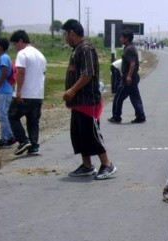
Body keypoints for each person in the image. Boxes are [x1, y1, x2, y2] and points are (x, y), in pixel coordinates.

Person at [62, 19, 117, 180]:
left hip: (88, 101)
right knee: (79, 135)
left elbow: (88, 73)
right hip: (78, 102)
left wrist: (72, 90)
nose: (65, 37)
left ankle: (107, 164)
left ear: (72, 33)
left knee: (91, 134)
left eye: (66, 34)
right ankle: (87, 165)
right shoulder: (77, 49)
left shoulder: (86, 49)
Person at [8, 30, 46, 155]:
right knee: (33, 120)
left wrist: (18, 92)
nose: (15, 47)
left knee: (12, 116)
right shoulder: (41, 55)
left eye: (15, 44)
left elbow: (21, 72)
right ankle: (34, 145)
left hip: (25, 93)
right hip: (37, 94)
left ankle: (23, 141)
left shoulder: (22, 54)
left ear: (20, 41)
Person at [108, 29, 146, 124]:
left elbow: (132, 63)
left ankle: (116, 117)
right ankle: (140, 116)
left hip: (130, 77)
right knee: (135, 97)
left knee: (118, 97)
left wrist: (128, 76)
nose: (120, 38)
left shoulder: (129, 49)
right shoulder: (129, 48)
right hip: (133, 76)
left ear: (127, 38)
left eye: (121, 37)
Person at [0, 37, 16, 148]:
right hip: (3, 91)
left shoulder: (4, 58)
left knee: (2, 115)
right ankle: (4, 139)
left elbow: (4, 73)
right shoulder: (2, 58)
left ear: (0, 46)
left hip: (3, 91)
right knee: (3, 115)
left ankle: (11, 135)